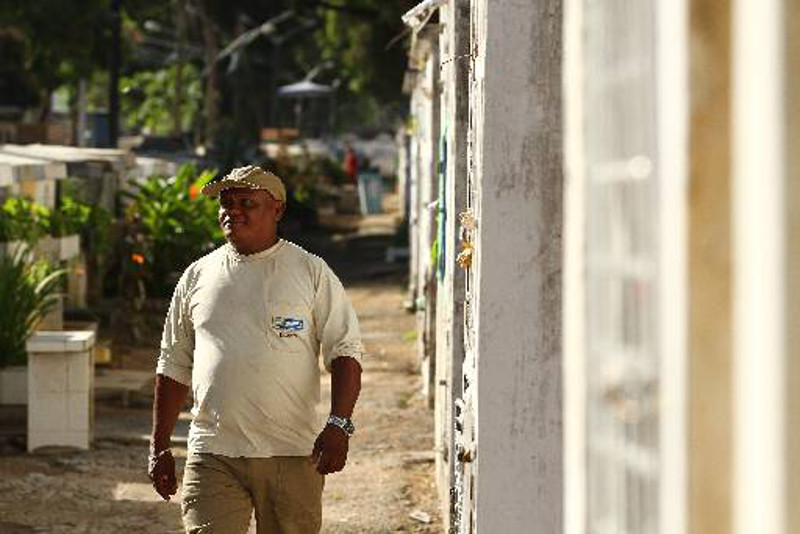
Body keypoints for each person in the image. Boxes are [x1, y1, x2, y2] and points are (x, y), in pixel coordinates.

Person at [148, 165, 364, 533]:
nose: (233, 211)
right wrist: (160, 446)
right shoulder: (198, 276)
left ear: (277, 209)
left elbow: (345, 352)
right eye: (226, 203)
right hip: (213, 452)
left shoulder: (310, 271)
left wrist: (338, 424)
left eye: (247, 202)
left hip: (291, 452)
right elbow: (173, 364)